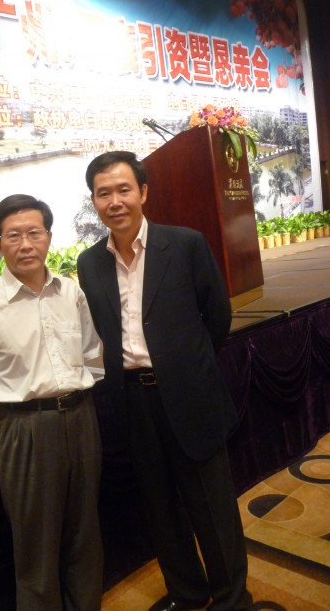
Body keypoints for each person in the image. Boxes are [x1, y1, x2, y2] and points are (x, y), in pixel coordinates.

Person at [77, 151, 252, 611]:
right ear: (94, 201)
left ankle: (233, 599)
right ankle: (187, 592)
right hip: (133, 399)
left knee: (211, 506)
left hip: (189, 394)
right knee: (160, 507)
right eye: (103, 193)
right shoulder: (90, 262)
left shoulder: (185, 244)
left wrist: (186, 366)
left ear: (143, 192)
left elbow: (217, 316)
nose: (115, 201)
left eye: (123, 190)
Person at [0, 194, 103, 611]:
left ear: (48, 238)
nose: (26, 244)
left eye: (34, 233)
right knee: (36, 548)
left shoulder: (71, 293)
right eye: (14, 236)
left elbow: (91, 353)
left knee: (85, 535)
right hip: (24, 430)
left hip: (81, 419)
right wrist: (20, 418)